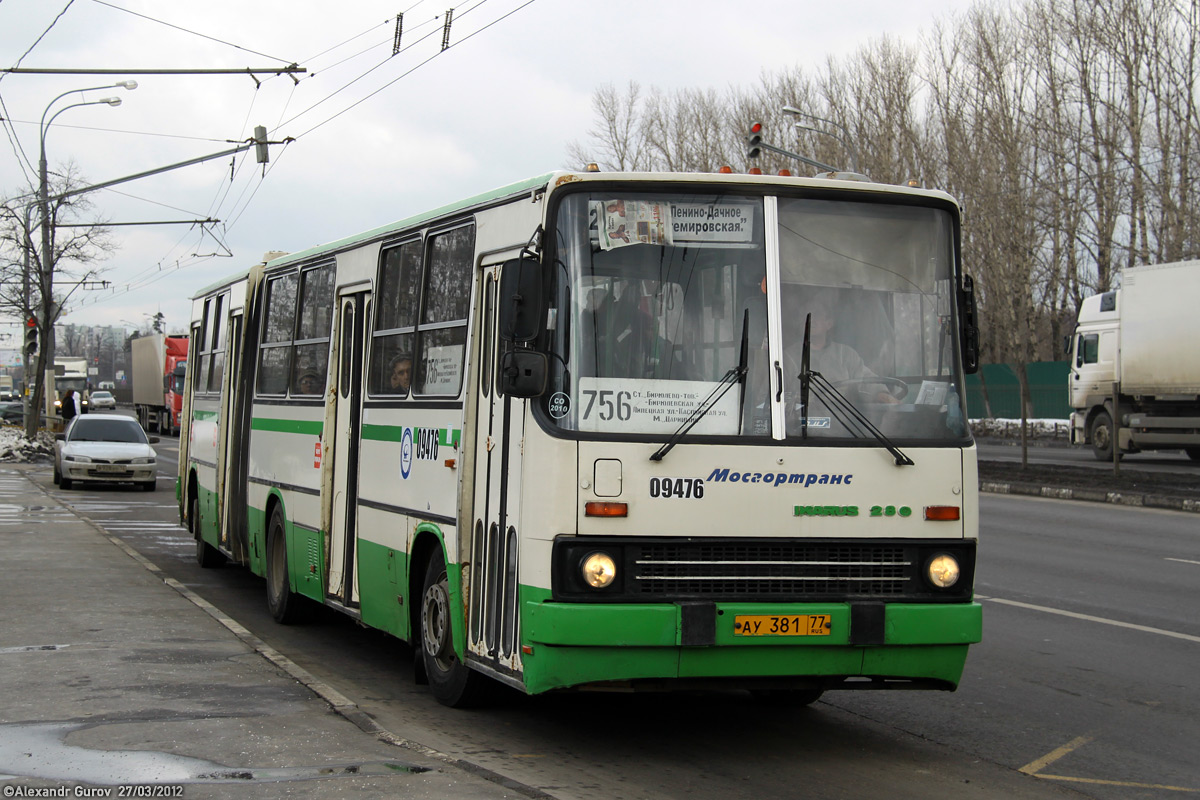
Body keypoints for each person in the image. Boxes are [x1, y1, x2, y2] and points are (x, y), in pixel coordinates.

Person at [783, 288, 901, 405]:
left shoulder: (846, 355)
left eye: (817, 314)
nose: (810, 320)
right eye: (806, 315)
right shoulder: (789, 357)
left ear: (829, 323)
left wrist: (882, 395)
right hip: (802, 420)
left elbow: (865, 379)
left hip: (842, 420)